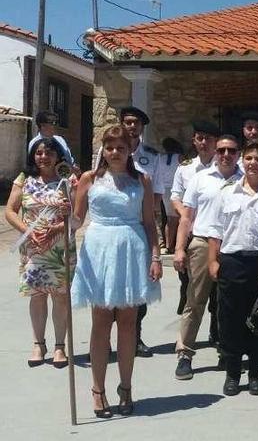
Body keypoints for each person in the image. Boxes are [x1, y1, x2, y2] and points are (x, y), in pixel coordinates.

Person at [70, 125, 163, 418]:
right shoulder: (89, 178)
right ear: (103, 150)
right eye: (109, 147)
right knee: (101, 322)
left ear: (129, 150)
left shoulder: (142, 180)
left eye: (120, 148)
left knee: (128, 322)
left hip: (132, 250)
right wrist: (64, 214)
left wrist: (156, 255)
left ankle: (126, 386)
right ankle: (98, 389)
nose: (114, 153)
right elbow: (76, 220)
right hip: (99, 249)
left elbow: (149, 222)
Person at [205, 141, 258, 396]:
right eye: (249, 158)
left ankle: (255, 373)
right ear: (243, 161)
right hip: (232, 262)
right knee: (230, 320)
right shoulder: (227, 192)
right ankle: (233, 373)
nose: (252, 163)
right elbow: (214, 230)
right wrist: (212, 261)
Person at [172, 134, 242, 381]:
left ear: (238, 154)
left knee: (229, 304)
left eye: (231, 151)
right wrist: (180, 249)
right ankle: (185, 354)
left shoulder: (246, 180)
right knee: (195, 300)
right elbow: (187, 217)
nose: (226, 155)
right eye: (221, 150)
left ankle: (228, 351)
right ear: (215, 151)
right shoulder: (200, 179)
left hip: (233, 246)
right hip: (202, 243)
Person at [5, 138, 76, 368]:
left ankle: (59, 346)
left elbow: (77, 214)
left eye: (49, 153)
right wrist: (28, 231)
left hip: (59, 246)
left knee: (60, 296)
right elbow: (10, 211)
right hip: (33, 246)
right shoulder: (24, 179)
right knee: (37, 296)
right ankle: (38, 343)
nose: (43, 157)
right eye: (39, 153)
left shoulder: (68, 180)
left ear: (58, 156)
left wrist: (60, 223)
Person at [101, 106, 163, 358]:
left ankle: (134, 337)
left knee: (136, 293)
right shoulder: (106, 151)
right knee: (108, 292)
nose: (132, 126)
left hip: (138, 223)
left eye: (136, 123)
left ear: (142, 127)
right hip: (111, 228)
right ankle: (104, 338)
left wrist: (156, 224)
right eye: (127, 122)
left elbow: (156, 191)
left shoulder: (150, 156)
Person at [170, 121, 220, 318]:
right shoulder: (185, 168)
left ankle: (215, 331)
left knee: (217, 286)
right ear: (194, 141)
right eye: (200, 138)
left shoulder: (227, 166)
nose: (204, 142)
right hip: (191, 233)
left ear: (216, 142)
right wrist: (185, 215)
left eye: (209, 139)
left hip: (215, 233)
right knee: (189, 282)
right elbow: (175, 196)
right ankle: (187, 327)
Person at [157, 137, 184, 254]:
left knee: (169, 217)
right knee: (175, 218)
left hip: (164, 189)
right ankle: (171, 245)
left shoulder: (160, 158)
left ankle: (169, 243)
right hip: (175, 189)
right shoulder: (180, 157)